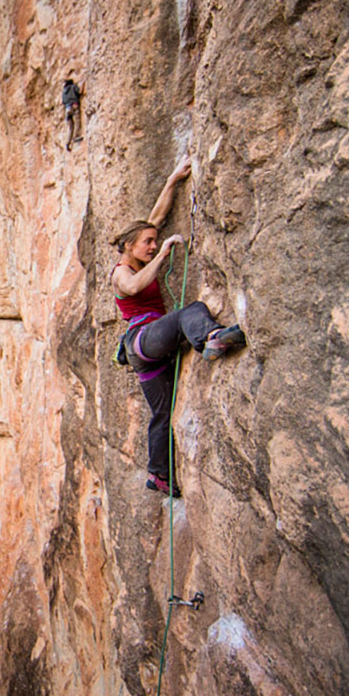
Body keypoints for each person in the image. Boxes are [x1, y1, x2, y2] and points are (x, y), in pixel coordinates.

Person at [109, 155, 245, 497]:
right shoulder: (121, 271)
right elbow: (135, 287)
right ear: (130, 247)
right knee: (190, 311)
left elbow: (155, 217)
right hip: (142, 339)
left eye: (154, 242)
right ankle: (211, 337)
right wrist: (161, 254)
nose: (153, 245)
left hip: (148, 349)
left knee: (163, 412)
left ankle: (158, 475)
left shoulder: (138, 250)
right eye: (147, 243)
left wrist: (172, 180)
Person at [62, 79, 82, 150]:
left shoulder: (64, 92)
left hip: (67, 108)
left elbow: (63, 101)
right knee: (77, 121)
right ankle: (76, 136)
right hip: (74, 105)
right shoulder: (73, 87)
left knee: (70, 127)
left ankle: (68, 142)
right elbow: (79, 92)